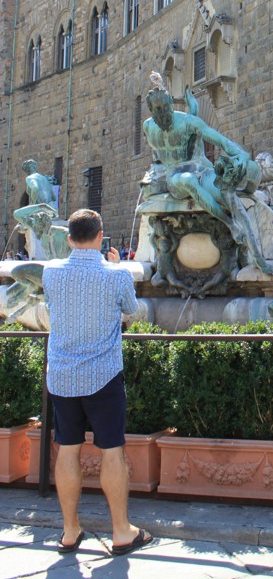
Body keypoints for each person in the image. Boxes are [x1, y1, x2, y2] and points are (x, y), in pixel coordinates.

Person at [42, 209, 152, 557]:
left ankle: (69, 530)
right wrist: (117, 267)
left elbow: (52, 305)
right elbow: (131, 309)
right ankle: (121, 531)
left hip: (62, 375)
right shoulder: (116, 274)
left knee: (67, 449)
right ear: (101, 236)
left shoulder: (50, 272)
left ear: (69, 239)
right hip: (103, 374)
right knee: (112, 451)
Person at [143, 86, 271, 274]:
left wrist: (242, 156)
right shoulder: (148, 127)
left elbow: (223, 142)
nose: (163, 112)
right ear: (151, 110)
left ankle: (258, 258)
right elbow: (162, 157)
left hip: (202, 171)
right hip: (176, 177)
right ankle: (230, 224)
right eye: (158, 109)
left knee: (227, 192)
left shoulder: (188, 122)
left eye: (165, 107)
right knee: (188, 181)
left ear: (171, 104)